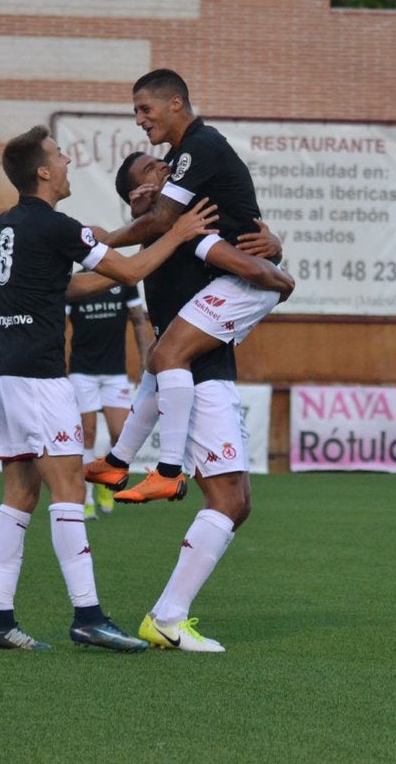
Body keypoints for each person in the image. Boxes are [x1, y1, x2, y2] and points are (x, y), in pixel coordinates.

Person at [0, 124, 216, 652]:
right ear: (42, 172)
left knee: (19, 496)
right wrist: (176, 233)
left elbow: (61, 286)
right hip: (40, 377)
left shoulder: (8, 224)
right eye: (59, 156)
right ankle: (87, 615)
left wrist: (114, 272)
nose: (66, 164)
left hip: (3, 373)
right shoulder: (58, 226)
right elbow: (132, 267)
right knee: (69, 491)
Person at [88, 150, 287, 652]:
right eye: (155, 170)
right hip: (199, 382)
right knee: (229, 501)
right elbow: (251, 271)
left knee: (236, 502)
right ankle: (167, 618)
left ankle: (168, 614)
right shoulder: (173, 231)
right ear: (140, 196)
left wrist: (274, 248)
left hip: (205, 375)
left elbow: (247, 258)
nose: (169, 170)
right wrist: (280, 276)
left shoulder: (169, 229)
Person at [94, 68, 290, 496]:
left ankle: (165, 471)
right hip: (220, 305)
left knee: (164, 358)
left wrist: (280, 270)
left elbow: (164, 221)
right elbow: (156, 221)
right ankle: (116, 463)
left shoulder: (197, 155)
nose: (140, 119)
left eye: (145, 109)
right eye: (151, 170)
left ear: (176, 103)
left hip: (236, 298)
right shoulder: (180, 201)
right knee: (158, 363)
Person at [65, 282, 150, 519]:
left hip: (115, 373)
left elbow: (139, 321)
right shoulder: (76, 285)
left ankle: (104, 479)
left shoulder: (123, 283)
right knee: (87, 434)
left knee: (119, 435)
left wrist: (145, 361)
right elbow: (58, 329)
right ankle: (86, 497)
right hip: (82, 372)